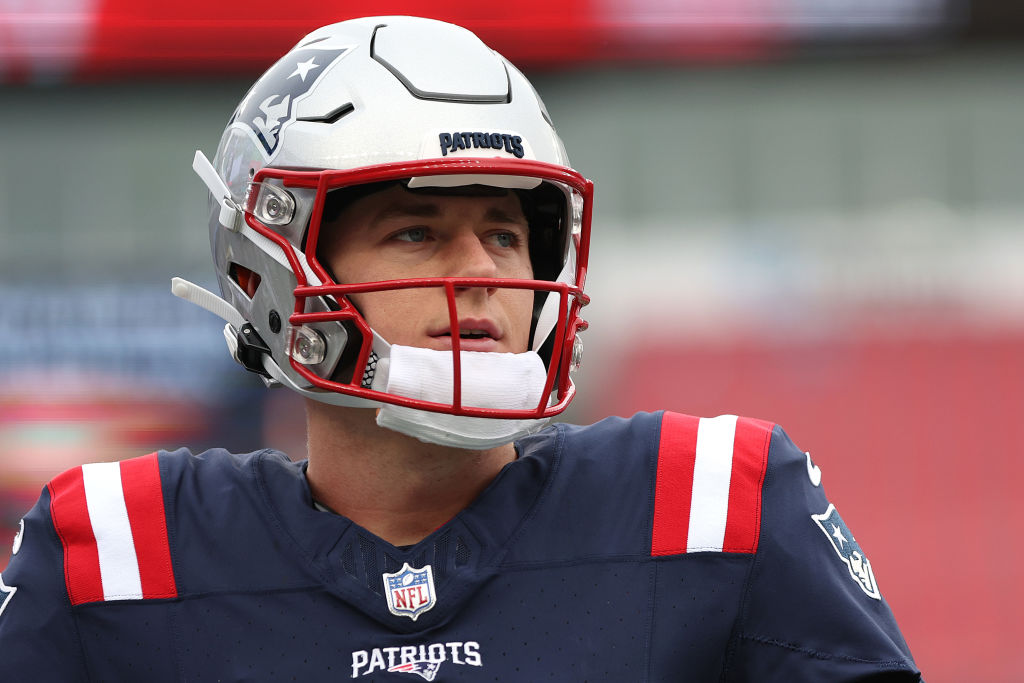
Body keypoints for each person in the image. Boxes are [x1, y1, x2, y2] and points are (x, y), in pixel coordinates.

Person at [0, 15, 921, 681]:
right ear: (270, 272)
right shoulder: (116, 555)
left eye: (507, 233)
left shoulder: (716, 501)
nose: (481, 271)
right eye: (416, 231)